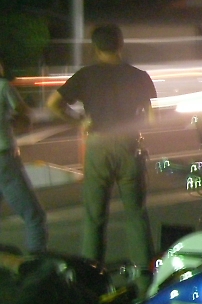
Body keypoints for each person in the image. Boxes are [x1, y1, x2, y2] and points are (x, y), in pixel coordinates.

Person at [46, 24, 156, 269]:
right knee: (136, 214)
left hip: (98, 146)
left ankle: (92, 273)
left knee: (94, 217)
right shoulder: (139, 76)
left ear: (95, 47)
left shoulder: (86, 75)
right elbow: (151, 119)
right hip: (129, 146)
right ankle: (144, 275)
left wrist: (79, 121)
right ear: (121, 44)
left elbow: (53, 103)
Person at [0, 61, 47, 252]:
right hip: (4, 158)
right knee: (34, 217)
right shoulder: (3, 86)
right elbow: (23, 112)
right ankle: (36, 263)